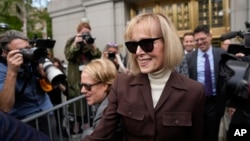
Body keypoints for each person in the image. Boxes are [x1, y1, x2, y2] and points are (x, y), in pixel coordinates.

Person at [84, 13, 205, 141]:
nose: (138, 52)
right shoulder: (121, 84)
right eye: (133, 46)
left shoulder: (194, 92)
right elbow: (99, 135)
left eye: (147, 44)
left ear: (167, 42)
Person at [0, 30, 59, 140]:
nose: (28, 53)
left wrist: (45, 75)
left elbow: (54, 86)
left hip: (47, 113)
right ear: (5, 52)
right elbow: (5, 107)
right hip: (24, 122)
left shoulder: (34, 60)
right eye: (21, 51)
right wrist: (12, 72)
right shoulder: (2, 69)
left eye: (28, 48)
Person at [186, 25, 226, 141]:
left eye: (202, 39)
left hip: (215, 102)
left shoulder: (221, 55)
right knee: (197, 134)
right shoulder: (189, 58)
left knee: (212, 134)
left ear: (210, 37)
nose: (200, 42)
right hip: (196, 102)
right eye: (197, 40)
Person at [64, 21, 102, 134]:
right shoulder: (71, 41)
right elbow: (68, 56)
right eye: (84, 32)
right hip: (75, 79)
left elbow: (97, 56)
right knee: (76, 106)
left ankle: (87, 130)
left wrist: (92, 46)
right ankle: (76, 130)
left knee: (88, 105)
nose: (86, 34)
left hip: (88, 77)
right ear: (78, 33)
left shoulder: (89, 42)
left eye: (88, 32)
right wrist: (76, 43)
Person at [81, 59, 121, 140]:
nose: (82, 90)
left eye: (87, 86)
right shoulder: (116, 100)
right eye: (81, 85)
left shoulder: (106, 115)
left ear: (104, 85)